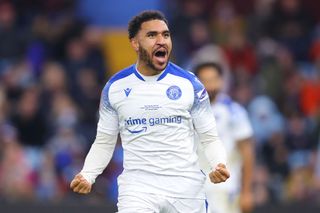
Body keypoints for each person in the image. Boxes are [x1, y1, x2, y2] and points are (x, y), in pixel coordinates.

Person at [70, 10, 230, 213]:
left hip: (185, 186)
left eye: (166, 34)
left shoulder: (191, 84)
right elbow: (104, 141)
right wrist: (88, 174)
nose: (161, 40)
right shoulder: (115, 88)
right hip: (138, 187)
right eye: (152, 35)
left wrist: (218, 164)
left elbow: (209, 138)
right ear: (135, 43)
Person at [194, 62, 255, 213]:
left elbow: (247, 153)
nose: (209, 84)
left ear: (221, 81)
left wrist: (246, 191)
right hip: (194, 189)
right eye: (205, 80)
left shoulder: (234, 112)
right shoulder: (188, 111)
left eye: (213, 79)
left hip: (225, 187)